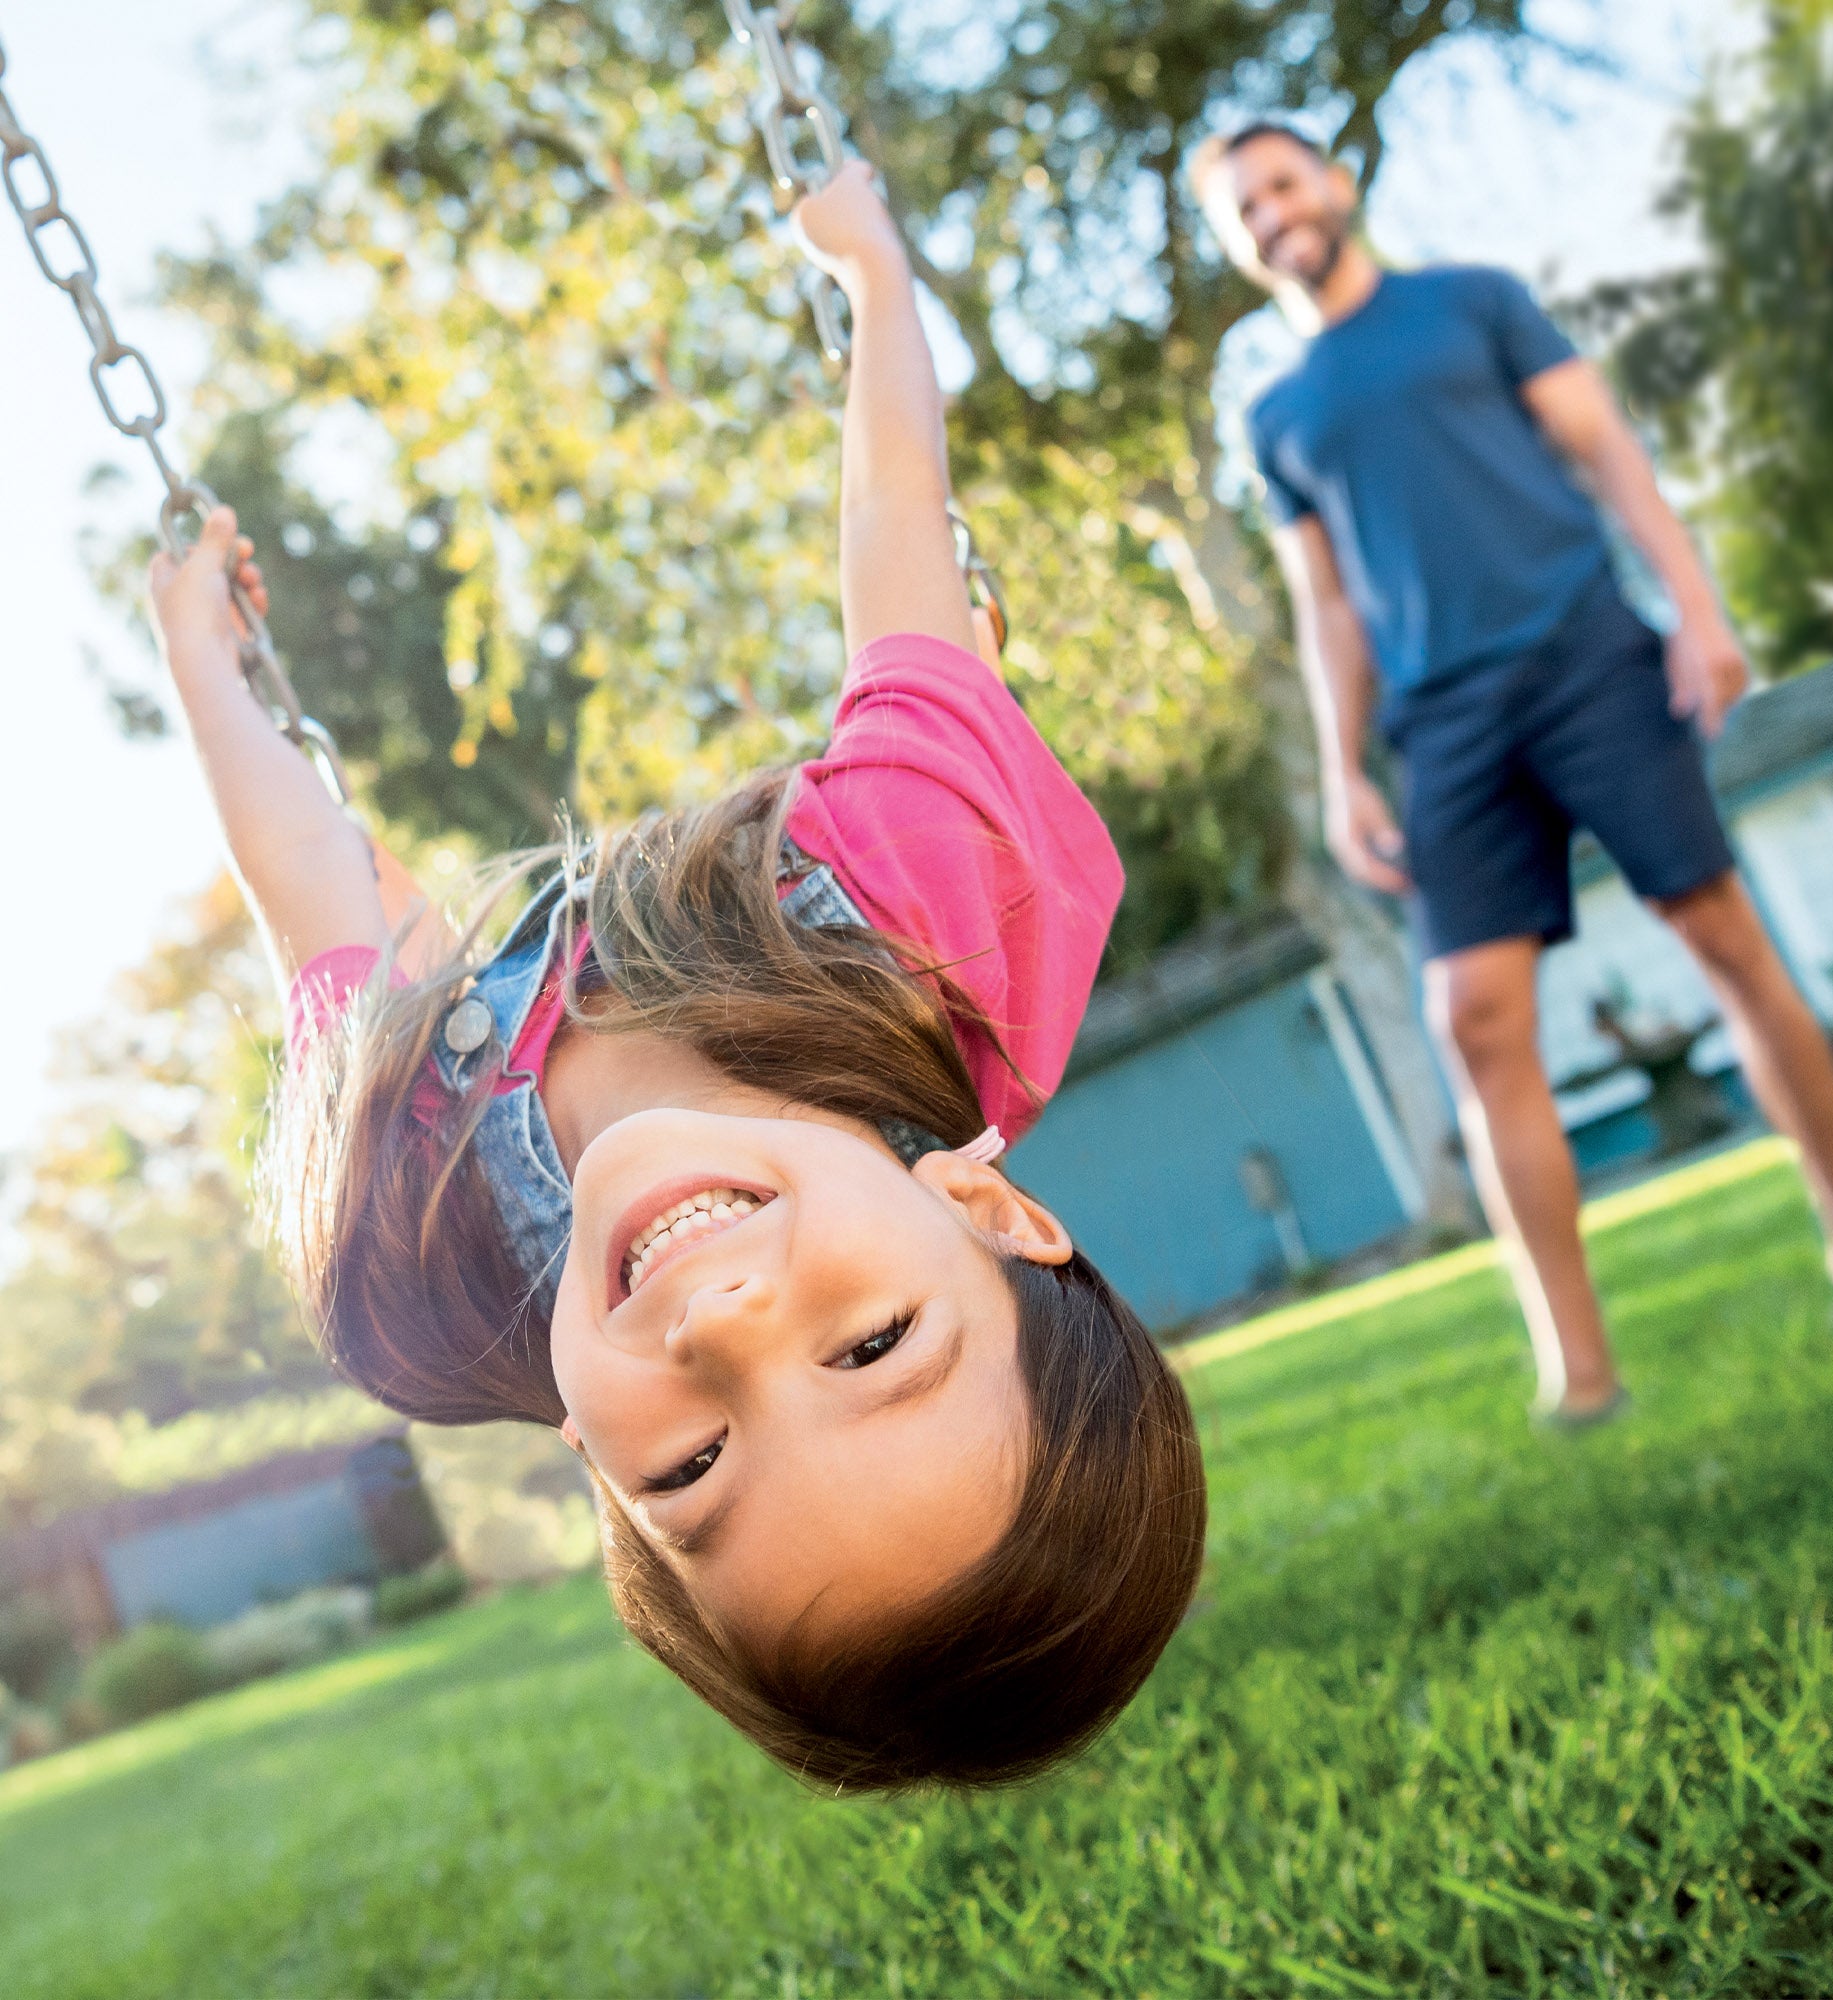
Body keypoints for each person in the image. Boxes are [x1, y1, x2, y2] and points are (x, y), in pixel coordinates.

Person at [146, 160, 1205, 1789]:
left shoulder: (431, 1237)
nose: (724, 1323)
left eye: (698, 1461)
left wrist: (206, 677)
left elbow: (332, 914)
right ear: (987, 1214)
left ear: (595, 1469)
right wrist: (875, 281)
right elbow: (898, 554)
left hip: (479, 1015)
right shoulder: (927, 918)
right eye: (869, 1350)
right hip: (788, 906)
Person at [1193, 124, 1833, 1420]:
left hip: (1585, 655)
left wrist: (1697, 608)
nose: (1274, 212)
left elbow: (1608, 451)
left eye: (1285, 181)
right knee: (1472, 1019)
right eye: (1244, 206)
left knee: (1719, 934)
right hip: (1443, 723)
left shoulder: (1473, 303)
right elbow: (1327, 603)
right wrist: (1342, 773)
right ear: (1236, 243)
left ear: (1336, 187)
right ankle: (1578, 1375)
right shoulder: (1279, 414)